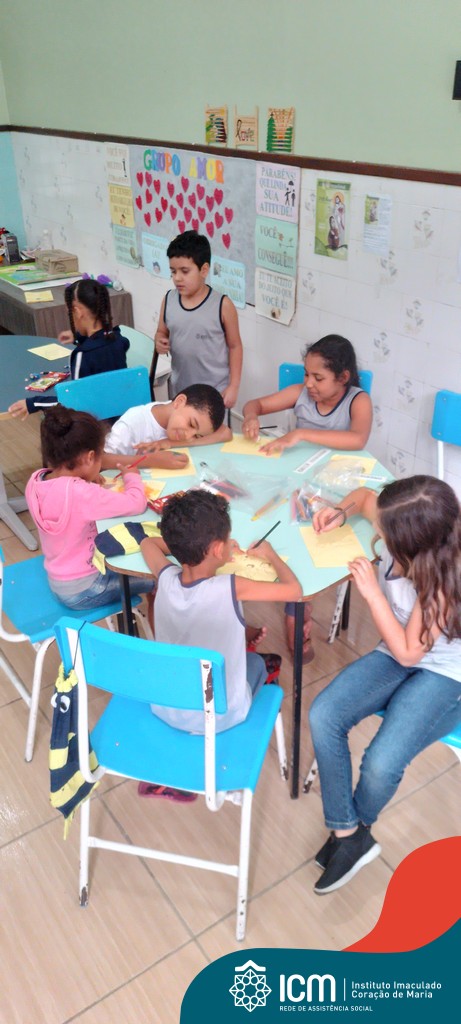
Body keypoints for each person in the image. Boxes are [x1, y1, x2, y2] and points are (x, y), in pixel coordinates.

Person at [309, 476, 461, 895]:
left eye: (384, 530)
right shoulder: (405, 519)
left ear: (414, 544)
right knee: (324, 715)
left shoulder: (443, 578)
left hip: (443, 670)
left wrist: (372, 594)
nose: (377, 529)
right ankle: (348, 833)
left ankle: (355, 830)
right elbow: (362, 498)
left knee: (380, 762)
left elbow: (411, 653)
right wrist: (340, 512)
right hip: (396, 648)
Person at [242, 334, 373, 658]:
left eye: (318, 377)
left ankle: (296, 610)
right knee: (270, 520)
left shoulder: (357, 401)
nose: (309, 384)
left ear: (343, 377)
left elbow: (358, 439)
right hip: (296, 481)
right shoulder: (300, 393)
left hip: (337, 489)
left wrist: (299, 433)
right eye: (306, 374)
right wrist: (251, 417)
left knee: (311, 534)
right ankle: (289, 598)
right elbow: (254, 404)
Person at [140, 488, 302, 737]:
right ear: (217, 549)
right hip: (219, 715)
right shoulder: (230, 587)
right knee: (257, 662)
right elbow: (294, 591)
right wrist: (270, 554)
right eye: (227, 540)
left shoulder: (166, 577)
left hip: (168, 707)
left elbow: (147, 543)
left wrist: (187, 545)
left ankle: (237, 636)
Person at [25, 405, 155, 612]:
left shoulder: (35, 481)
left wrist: (87, 478)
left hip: (60, 580)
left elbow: (65, 499)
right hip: (88, 588)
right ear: (89, 457)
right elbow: (136, 503)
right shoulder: (82, 493)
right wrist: (132, 476)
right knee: (159, 577)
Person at [9, 279, 130, 418]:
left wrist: (33, 404)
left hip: (95, 422)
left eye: (70, 313)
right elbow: (101, 344)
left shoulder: (83, 355)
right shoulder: (118, 339)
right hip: (121, 415)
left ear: (77, 312)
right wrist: (79, 337)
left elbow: (73, 403)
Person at [154, 230, 243, 409]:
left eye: (185, 271)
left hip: (215, 394)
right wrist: (159, 341)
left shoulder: (223, 305)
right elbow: (161, 332)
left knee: (212, 429)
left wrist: (233, 386)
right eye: (173, 271)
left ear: (204, 270)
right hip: (180, 392)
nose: (177, 278)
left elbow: (235, 346)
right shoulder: (169, 300)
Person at [102, 382, 232, 471]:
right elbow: (102, 460)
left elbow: (226, 433)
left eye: (197, 436)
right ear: (179, 402)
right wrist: (149, 460)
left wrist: (168, 443)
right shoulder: (133, 421)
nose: (188, 436)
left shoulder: (179, 412)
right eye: (191, 424)